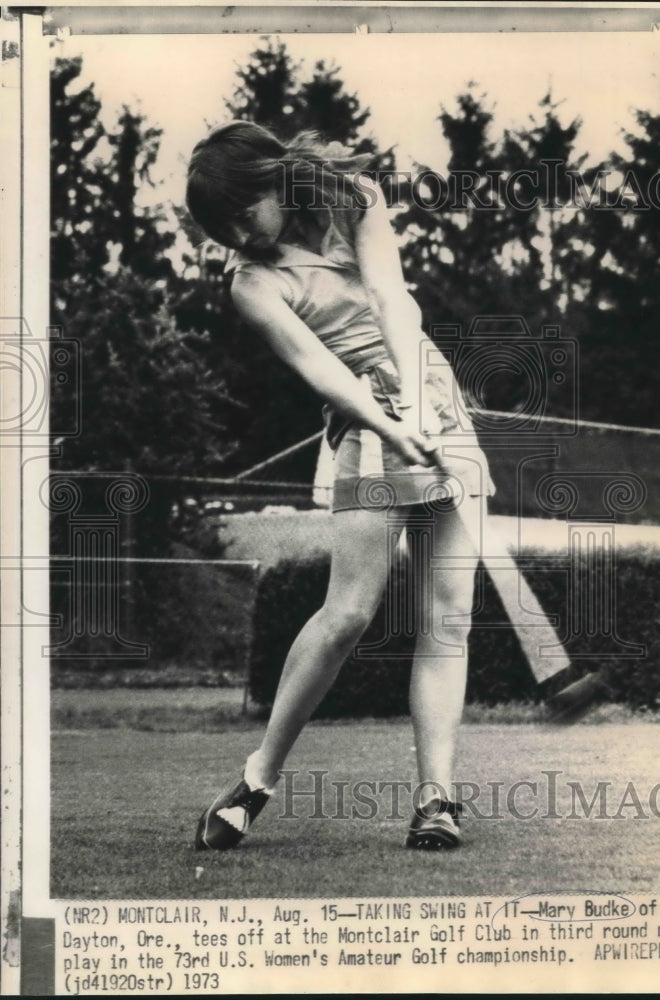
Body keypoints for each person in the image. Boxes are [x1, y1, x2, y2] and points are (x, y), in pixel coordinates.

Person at [186, 121, 495, 852]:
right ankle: (255, 780)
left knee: (447, 617)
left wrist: (420, 406)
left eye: (242, 211)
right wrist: (388, 426)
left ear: (271, 180)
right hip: (361, 428)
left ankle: (436, 801)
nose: (237, 233)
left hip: (431, 399)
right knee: (349, 613)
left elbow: (395, 303)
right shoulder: (252, 282)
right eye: (220, 226)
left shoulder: (352, 197)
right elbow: (319, 369)